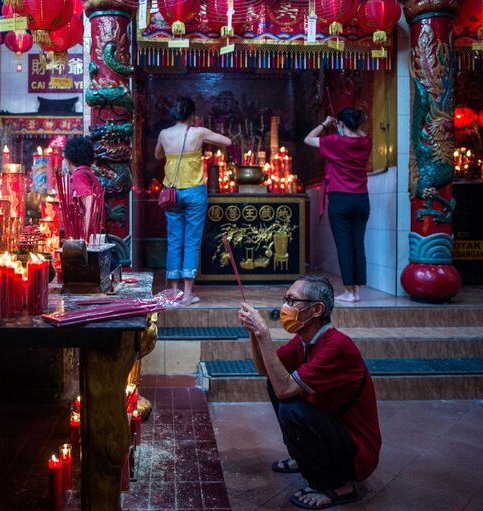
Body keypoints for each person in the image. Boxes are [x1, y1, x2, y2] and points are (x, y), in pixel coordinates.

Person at [238, 275, 381, 510]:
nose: (285, 307)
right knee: (275, 384)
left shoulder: (336, 346)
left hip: (357, 454)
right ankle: (302, 456)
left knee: (291, 408)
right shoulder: (303, 341)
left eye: (292, 301)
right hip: (333, 433)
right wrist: (254, 333)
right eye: (285, 299)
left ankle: (338, 486)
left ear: (316, 309)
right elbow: (265, 369)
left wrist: (264, 333)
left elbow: (285, 390)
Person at [155, 97, 231, 305]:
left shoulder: (164, 134)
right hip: (195, 193)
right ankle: (188, 294)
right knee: (191, 241)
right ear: (191, 115)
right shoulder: (198, 132)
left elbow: (157, 154)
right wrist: (203, 140)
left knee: (174, 239)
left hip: (172, 193)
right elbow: (228, 142)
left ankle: (173, 290)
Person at [305, 108, 372, 303]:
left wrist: (326, 123)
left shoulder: (335, 141)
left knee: (344, 246)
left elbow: (308, 139)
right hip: (361, 200)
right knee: (358, 245)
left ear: (341, 125)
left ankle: (350, 292)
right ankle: (357, 291)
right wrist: (348, 126)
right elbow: (360, 134)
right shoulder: (365, 142)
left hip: (340, 199)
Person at [63, 136, 104, 239]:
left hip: (89, 237)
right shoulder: (88, 173)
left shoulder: (79, 174)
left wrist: (84, 238)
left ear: (69, 160)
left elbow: (90, 204)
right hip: (95, 234)